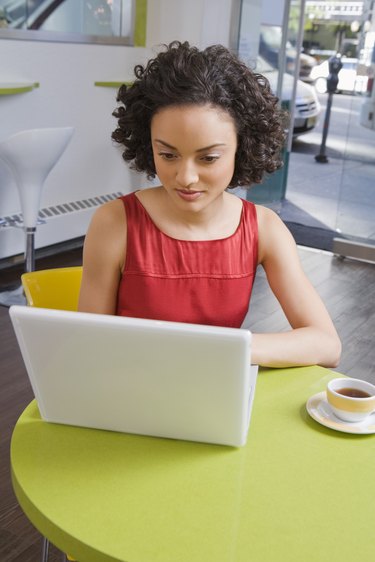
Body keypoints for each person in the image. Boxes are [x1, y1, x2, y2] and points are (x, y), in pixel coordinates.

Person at [78, 41, 341, 368]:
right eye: (168, 155)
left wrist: (215, 351)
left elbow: (326, 344)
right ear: (149, 146)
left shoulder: (264, 227)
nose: (185, 177)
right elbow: (89, 346)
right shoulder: (114, 222)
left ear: (241, 149)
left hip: (217, 393)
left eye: (209, 158)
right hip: (130, 394)